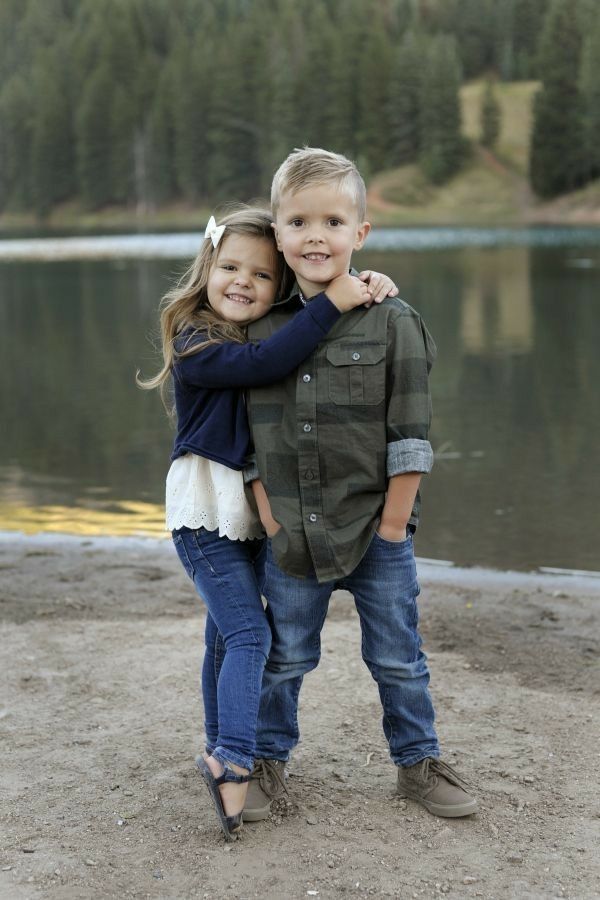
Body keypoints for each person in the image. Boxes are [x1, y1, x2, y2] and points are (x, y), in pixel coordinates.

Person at [138, 205, 398, 840]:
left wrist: (365, 284)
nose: (242, 282)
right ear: (206, 270)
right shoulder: (196, 341)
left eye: (260, 273)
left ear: (279, 285)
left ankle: (218, 741)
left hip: (250, 518)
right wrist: (334, 300)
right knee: (252, 636)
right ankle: (232, 759)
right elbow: (268, 364)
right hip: (204, 517)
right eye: (229, 267)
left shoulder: (268, 333)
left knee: (223, 637)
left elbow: (291, 343)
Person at [243, 148, 478, 821]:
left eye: (333, 221)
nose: (316, 236)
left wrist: (394, 526)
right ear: (278, 233)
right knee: (284, 659)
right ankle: (266, 762)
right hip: (293, 535)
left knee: (399, 658)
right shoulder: (261, 331)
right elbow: (252, 442)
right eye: (298, 222)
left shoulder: (394, 320)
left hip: (379, 531)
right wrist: (272, 517)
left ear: (360, 233)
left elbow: (409, 437)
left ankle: (417, 763)